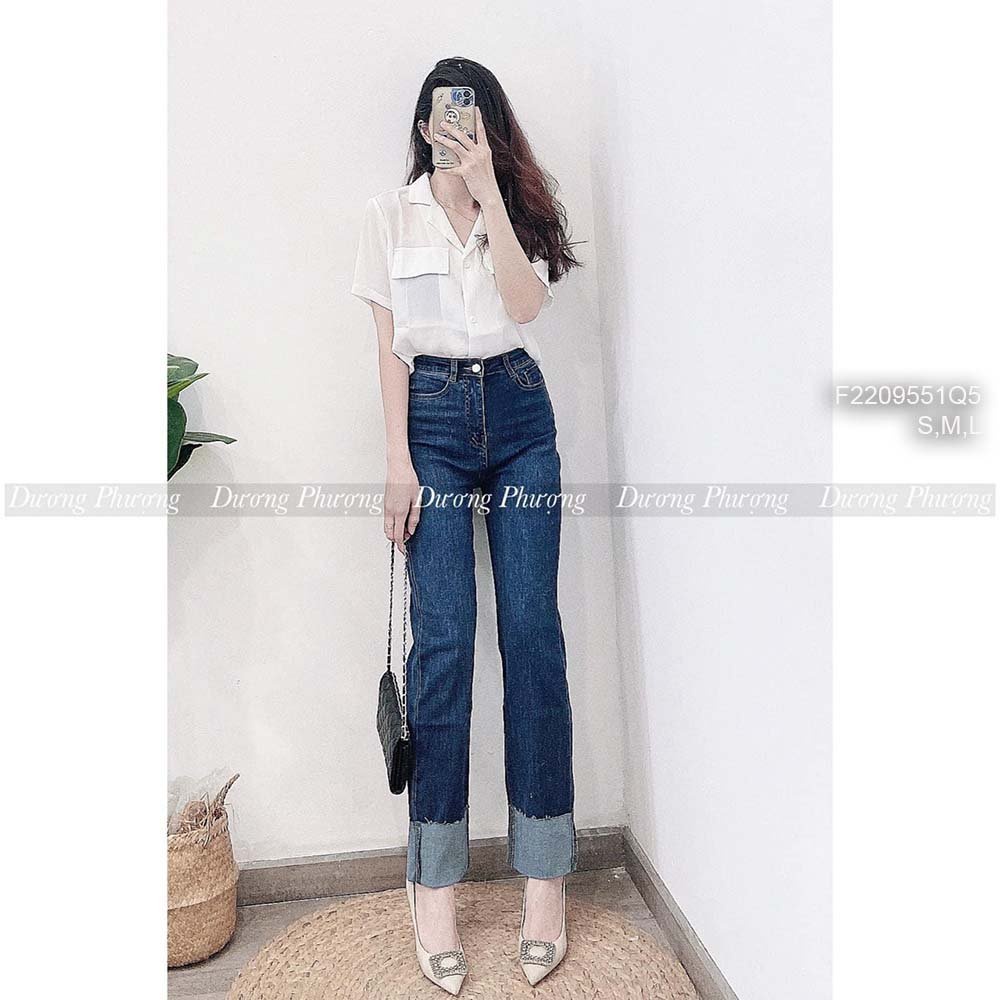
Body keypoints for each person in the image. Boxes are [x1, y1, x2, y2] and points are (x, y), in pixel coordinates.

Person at [351, 56, 581, 993]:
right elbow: (389, 351)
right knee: (443, 645)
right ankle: (435, 887)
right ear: (424, 127)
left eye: (474, 118)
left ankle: (545, 882)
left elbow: (526, 309)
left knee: (533, 636)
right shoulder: (387, 216)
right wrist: (398, 462)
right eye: (447, 119)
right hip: (434, 428)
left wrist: (490, 193)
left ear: (491, 126)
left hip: (521, 415)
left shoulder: (513, 205)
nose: (458, 130)